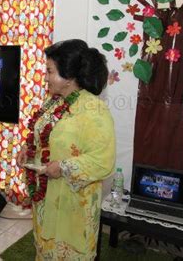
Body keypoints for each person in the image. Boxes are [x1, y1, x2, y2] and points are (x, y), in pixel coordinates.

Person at [16, 39, 115, 260]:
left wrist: (63, 167)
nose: (46, 77)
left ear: (69, 76)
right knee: (44, 249)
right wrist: (27, 148)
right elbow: (42, 134)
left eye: (50, 71)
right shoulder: (53, 102)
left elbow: (103, 162)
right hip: (46, 197)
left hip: (73, 204)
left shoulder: (94, 109)